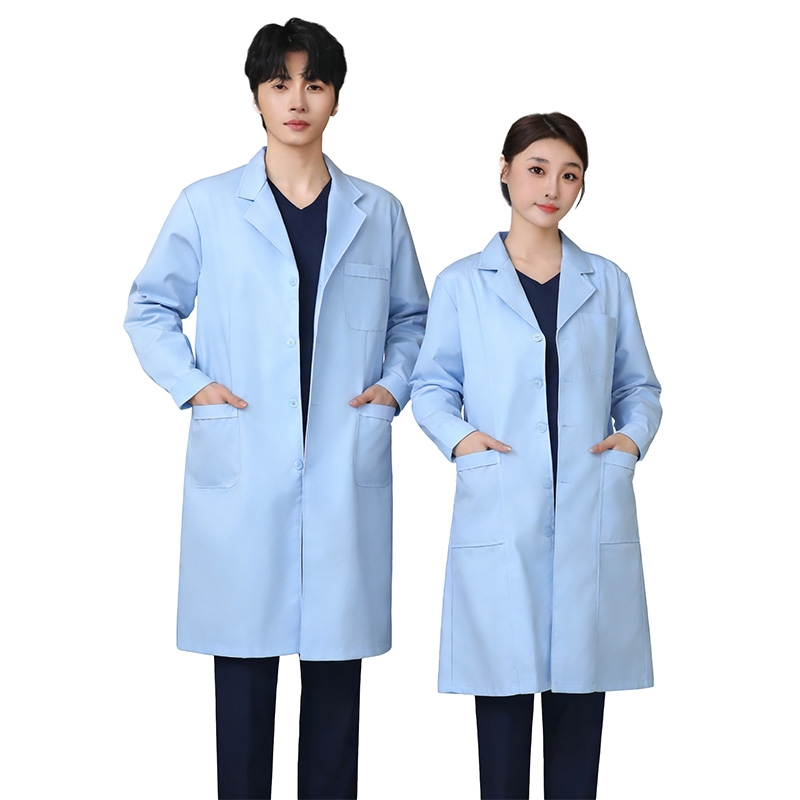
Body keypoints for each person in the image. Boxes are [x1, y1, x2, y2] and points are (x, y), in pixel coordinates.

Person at [124, 18, 427, 800]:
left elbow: (412, 319)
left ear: (336, 99)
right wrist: (194, 386)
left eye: (314, 84)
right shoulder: (207, 205)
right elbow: (150, 307)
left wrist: (392, 386)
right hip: (245, 464)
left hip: (341, 461)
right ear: (256, 96)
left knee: (334, 695)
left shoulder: (379, 210)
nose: (297, 100)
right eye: (280, 83)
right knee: (244, 685)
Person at [410, 112, 661, 800]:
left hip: (587, 511)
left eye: (570, 175)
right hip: (502, 507)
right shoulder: (463, 282)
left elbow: (639, 386)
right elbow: (431, 385)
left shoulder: (607, 281)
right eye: (537, 169)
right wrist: (461, 440)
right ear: (505, 170)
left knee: (579, 716)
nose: (552, 188)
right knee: (503, 712)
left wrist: (630, 439)